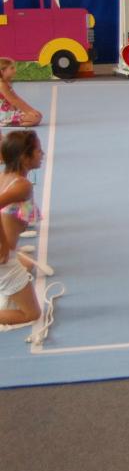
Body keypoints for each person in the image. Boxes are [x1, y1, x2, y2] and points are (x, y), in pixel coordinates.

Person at [0, 130, 46, 329]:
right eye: (37, 151)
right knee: (31, 314)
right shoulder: (22, 186)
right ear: (24, 158)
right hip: (3, 257)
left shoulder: (5, 176)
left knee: (27, 265)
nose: (42, 154)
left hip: (7, 251)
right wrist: (4, 245)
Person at [0, 58, 43, 127]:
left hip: (9, 110)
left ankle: (11, 121)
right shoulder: (2, 85)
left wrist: (31, 110)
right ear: (2, 71)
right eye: (12, 68)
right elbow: (14, 101)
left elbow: (16, 98)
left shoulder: (6, 82)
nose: (15, 70)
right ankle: (6, 122)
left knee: (38, 115)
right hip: (3, 113)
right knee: (34, 118)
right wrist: (29, 111)